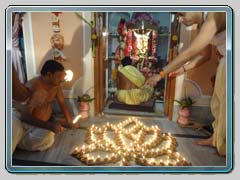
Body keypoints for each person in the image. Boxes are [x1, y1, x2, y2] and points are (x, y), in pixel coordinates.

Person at [145, 12, 226, 156]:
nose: (181, 20)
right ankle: (216, 139)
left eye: (181, 14)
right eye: (177, 16)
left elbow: (190, 52)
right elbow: (204, 55)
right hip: (225, 61)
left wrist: (160, 74)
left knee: (228, 105)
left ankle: (227, 147)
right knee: (218, 104)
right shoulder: (201, 25)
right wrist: (182, 69)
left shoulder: (215, 13)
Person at [17, 60, 78, 151]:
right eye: (59, 78)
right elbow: (25, 116)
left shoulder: (56, 85)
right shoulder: (33, 86)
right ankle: (21, 142)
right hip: (30, 127)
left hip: (45, 122)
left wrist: (70, 122)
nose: (61, 80)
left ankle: (43, 135)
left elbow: (62, 104)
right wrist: (49, 126)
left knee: (51, 133)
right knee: (48, 135)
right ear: (49, 75)